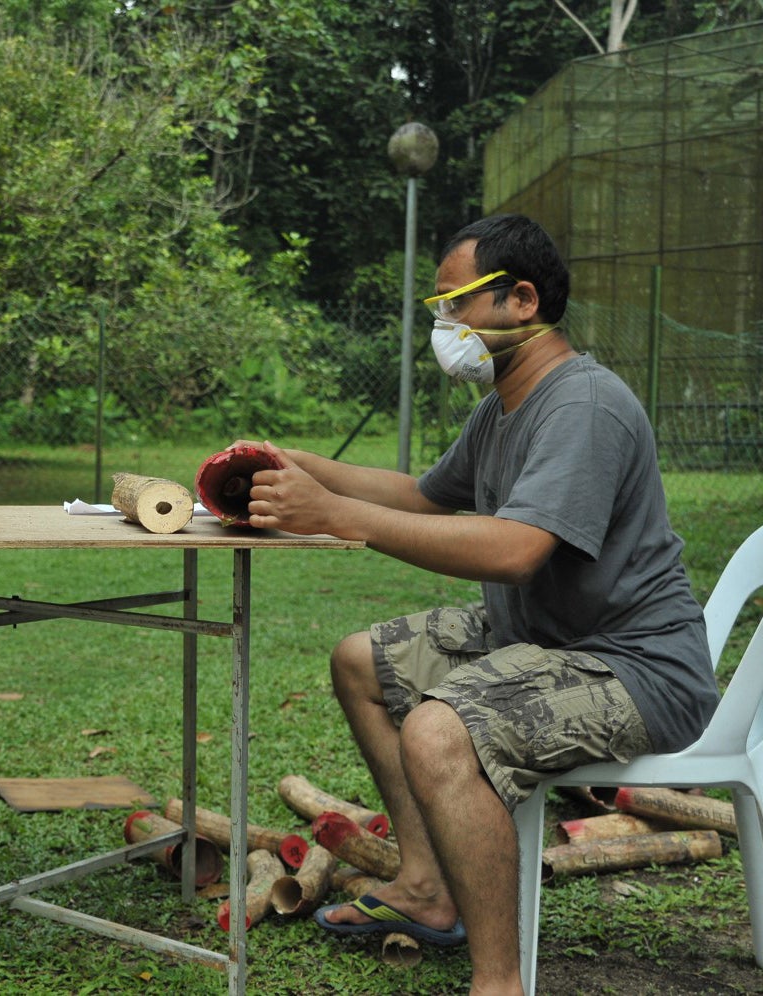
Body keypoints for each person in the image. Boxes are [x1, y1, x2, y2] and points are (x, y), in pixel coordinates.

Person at [237, 214, 717, 995]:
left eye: (454, 306)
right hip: (544, 638)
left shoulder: (581, 406)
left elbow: (514, 549)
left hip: (634, 666)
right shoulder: (503, 406)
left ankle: (500, 984)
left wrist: (333, 516)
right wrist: (301, 467)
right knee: (361, 661)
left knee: (439, 731)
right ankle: (426, 889)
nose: (444, 327)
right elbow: (426, 497)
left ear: (521, 299)